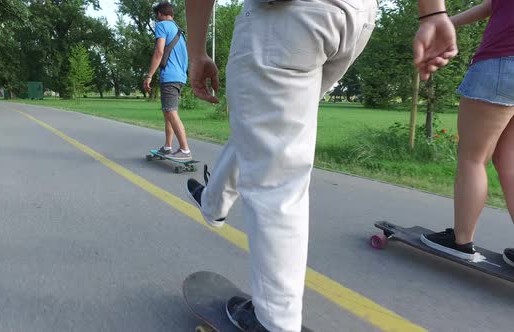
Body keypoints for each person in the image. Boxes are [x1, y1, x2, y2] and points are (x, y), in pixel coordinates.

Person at [184, 0, 457, 331]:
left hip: (287, 16)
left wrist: (197, 51)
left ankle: (274, 322)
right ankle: (215, 201)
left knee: (276, 176)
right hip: (356, 17)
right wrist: (432, 11)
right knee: (267, 132)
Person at [420, 0, 514, 267]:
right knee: (509, 160)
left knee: (473, 158)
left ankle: (461, 241)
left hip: (501, 63)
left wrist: (434, 20)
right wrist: (445, 22)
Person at [143, 2, 191, 160]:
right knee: (168, 112)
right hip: (180, 77)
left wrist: (149, 75)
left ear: (159, 14)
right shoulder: (179, 30)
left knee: (171, 112)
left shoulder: (162, 25)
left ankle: (185, 150)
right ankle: (167, 147)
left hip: (170, 77)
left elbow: (159, 51)